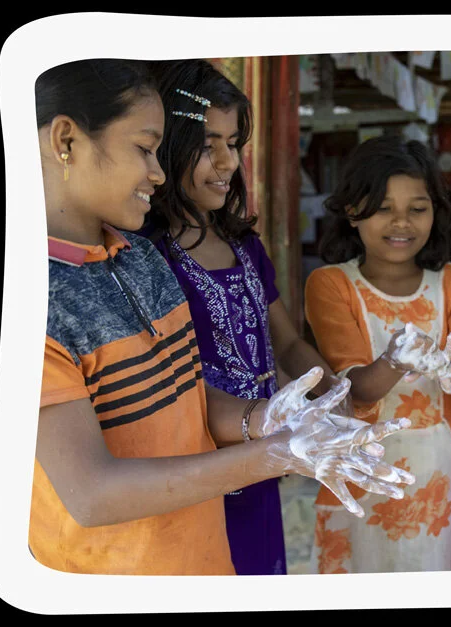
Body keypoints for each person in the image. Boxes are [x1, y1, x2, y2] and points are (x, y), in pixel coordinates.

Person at [33, 58, 414, 575]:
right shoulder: (41, 294)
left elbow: (185, 390)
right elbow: (90, 493)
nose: (158, 171)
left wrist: (275, 419)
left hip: (206, 530)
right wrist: (276, 450)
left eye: (234, 144)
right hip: (117, 568)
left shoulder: (136, 258)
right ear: (66, 141)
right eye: (146, 148)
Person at [140, 59, 349, 575]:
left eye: (233, 143)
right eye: (207, 143)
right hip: (197, 471)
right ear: (167, 144)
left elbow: (288, 346)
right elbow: (169, 385)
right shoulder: (147, 256)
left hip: (262, 463)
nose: (226, 161)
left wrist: (332, 396)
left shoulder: (244, 245)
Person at [304, 135, 451, 573]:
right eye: (383, 207)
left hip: (439, 476)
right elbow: (355, 392)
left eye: (417, 208)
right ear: (352, 211)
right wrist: (396, 360)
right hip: (359, 471)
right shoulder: (331, 285)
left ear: (436, 213)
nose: (401, 222)